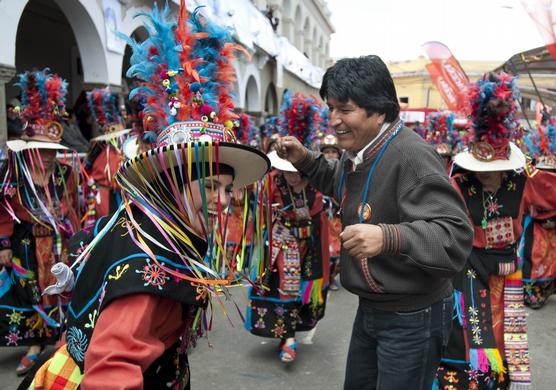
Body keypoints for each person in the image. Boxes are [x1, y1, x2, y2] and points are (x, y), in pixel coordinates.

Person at [27, 2, 270, 388]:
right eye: (209, 188)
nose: (222, 202)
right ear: (170, 185)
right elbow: (110, 374)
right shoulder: (149, 261)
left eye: (225, 190)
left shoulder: (151, 229)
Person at [274, 55, 473, 389]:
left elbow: (455, 236)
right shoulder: (365, 151)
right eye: (331, 108)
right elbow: (339, 182)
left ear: (379, 111)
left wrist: (389, 237)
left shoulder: (411, 156)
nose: (334, 119)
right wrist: (304, 159)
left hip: (413, 318)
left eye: (345, 109)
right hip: (373, 310)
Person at [435, 72, 556, 389]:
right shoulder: (458, 184)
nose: (487, 177)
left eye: (496, 171)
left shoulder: (523, 180)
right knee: (465, 340)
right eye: (481, 170)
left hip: (507, 277)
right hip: (468, 273)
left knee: (503, 339)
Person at [0, 70, 81, 376]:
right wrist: (3, 243)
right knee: (33, 292)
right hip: (28, 245)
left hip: (61, 244)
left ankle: (64, 339)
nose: (48, 158)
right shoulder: (14, 175)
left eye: (52, 152)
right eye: (43, 151)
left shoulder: (66, 174)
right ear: (31, 149)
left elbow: (73, 207)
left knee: (64, 289)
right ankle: (35, 346)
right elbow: (4, 211)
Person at [247, 91, 330, 363]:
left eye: (298, 171)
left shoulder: (318, 184)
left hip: (311, 246)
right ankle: (289, 339)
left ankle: (290, 336)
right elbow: (259, 214)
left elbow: (320, 216)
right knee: (284, 290)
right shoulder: (271, 182)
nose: (293, 176)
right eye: (288, 170)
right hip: (280, 246)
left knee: (303, 292)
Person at [521, 124, 556, 309]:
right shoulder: (531, 175)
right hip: (535, 226)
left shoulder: (533, 173)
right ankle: (531, 290)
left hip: (550, 227)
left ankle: (544, 288)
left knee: (550, 257)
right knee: (534, 257)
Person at [83, 88, 130, 220]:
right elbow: (86, 172)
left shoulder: (129, 148)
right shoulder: (97, 148)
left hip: (125, 198)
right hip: (102, 200)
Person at [319, 132, 343, 290]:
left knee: (338, 254)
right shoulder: (315, 173)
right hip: (320, 221)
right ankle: (322, 280)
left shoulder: (345, 173)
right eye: (327, 152)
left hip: (337, 222)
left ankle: (332, 278)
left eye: (333, 152)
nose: (330, 155)